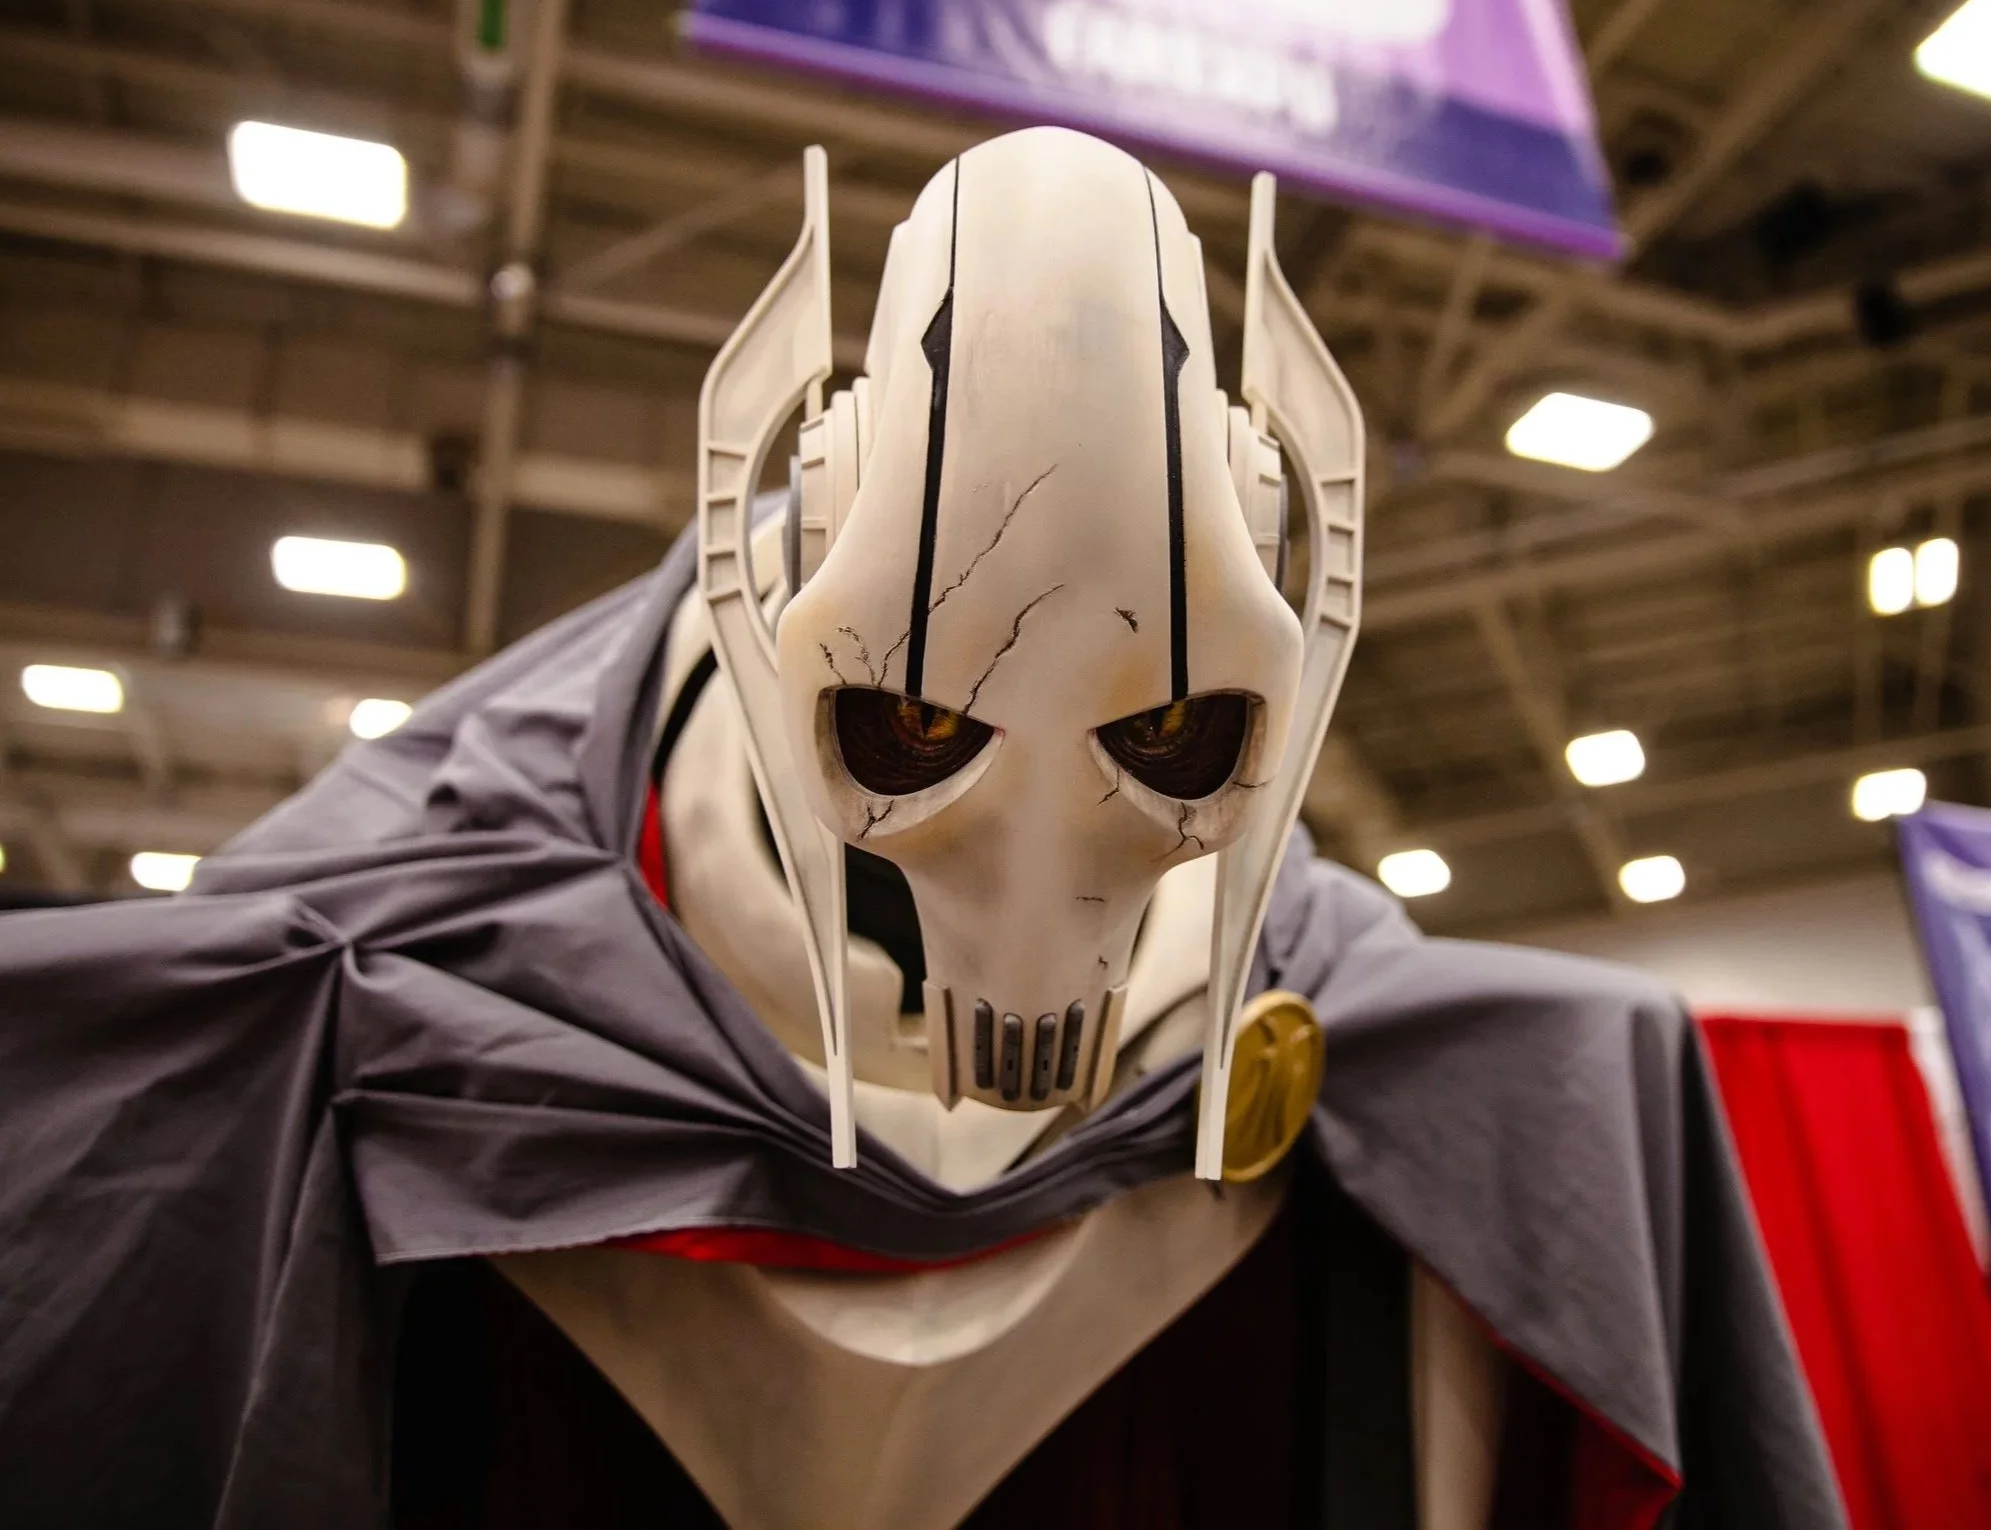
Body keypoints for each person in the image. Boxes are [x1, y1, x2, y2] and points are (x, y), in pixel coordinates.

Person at [0, 128, 1844, 1530]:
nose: (1033, 878)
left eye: (1175, 733)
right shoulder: (407, 935)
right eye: (912, 726)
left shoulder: (1432, 1047)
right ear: (769, 610)